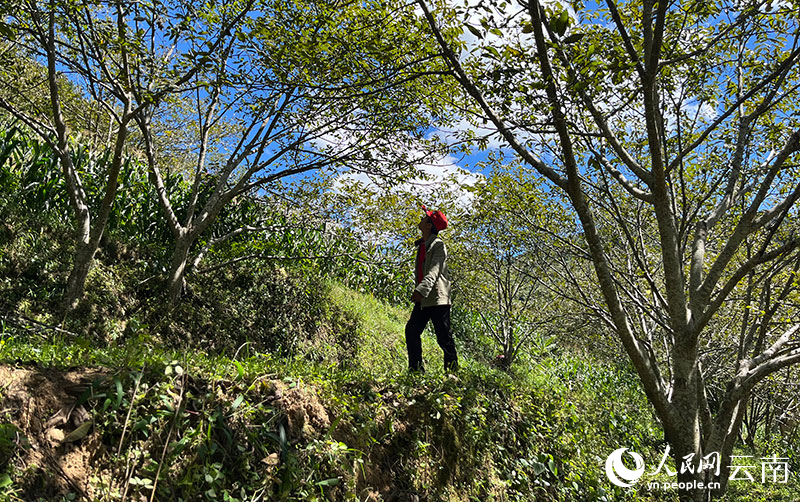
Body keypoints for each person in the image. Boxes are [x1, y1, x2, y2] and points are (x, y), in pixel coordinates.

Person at [405, 206, 458, 373]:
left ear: (429, 225)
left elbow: (435, 270)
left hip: (437, 298)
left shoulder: (438, 245)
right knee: (412, 330)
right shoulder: (422, 245)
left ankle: (452, 373)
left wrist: (421, 290)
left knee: (444, 338)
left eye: (424, 218)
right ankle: (416, 371)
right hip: (424, 299)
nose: (421, 219)